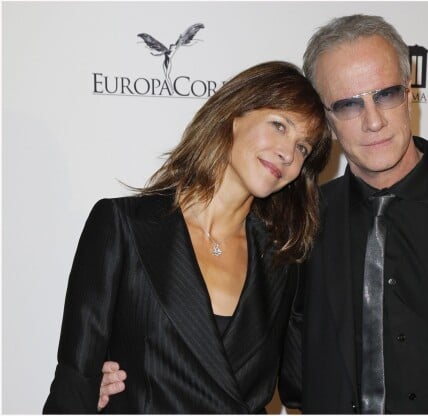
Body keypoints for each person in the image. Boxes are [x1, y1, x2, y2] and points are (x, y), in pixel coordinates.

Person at [99, 14, 428, 414]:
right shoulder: (289, 228)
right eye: (347, 104)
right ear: (324, 121)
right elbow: (231, 352)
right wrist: (128, 372)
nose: (372, 121)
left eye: (384, 94)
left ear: (409, 90)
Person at [43, 60, 331, 414]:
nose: (288, 154)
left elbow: (305, 389)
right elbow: (75, 382)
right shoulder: (123, 226)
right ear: (234, 115)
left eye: (303, 147)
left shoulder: (284, 261)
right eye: (279, 125)